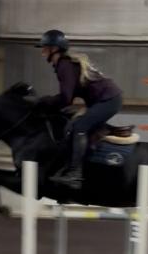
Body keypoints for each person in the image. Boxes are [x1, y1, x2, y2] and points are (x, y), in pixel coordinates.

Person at [35, 29, 123, 189]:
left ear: (54, 49)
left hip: (109, 100)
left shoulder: (64, 65)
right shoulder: (65, 64)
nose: (42, 52)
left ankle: (74, 173)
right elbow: (67, 98)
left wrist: (44, 101)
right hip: (105, 99)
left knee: (79, 127)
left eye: (45, 48)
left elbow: (66, 98)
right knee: (70, 121)